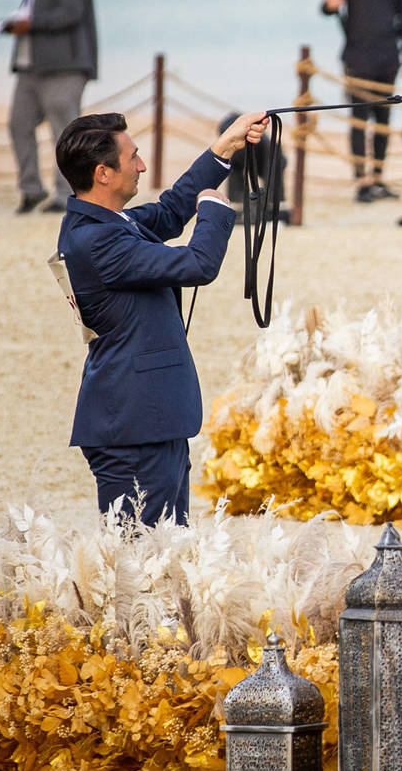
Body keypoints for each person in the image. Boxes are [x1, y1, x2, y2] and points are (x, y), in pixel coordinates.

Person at [54, 109, 266, 526]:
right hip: (134, 427)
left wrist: (225, 147)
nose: (142, 165)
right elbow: (198, 264)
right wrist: (214, 210)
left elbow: (170, 212)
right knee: (144, 553)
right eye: (132, 157)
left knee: (164, 546)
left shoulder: (104, 222)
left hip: (146, 420)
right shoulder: (97, 240)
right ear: (103, 174)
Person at [320, 0, 402, 202]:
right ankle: (362, 180)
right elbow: (328, 6)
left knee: (383, 118)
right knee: (359, 118)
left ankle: (378, 177)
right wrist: (329, 5)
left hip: (388, 56)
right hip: (356, 56)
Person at [6, 0, 98, 214]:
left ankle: (65, 193)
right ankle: (31, 188)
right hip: (31, 67)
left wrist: (32, 24)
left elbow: (71, 14)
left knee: (64, 132)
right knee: (18, 124)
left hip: (64, 68)